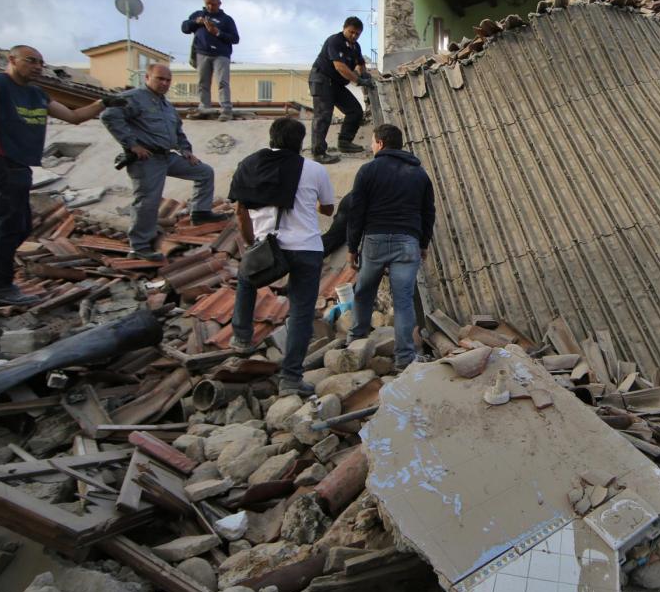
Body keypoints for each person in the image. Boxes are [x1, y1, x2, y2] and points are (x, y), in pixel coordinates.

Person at [0, 45, 108, 305]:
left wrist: (103, 103)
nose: (38, 66)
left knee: (17, 227)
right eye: (31, 61)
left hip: (17, 164)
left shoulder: (36, 94)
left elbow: (74, 116)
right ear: (12, 60)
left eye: (41, 62)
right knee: (11, 227)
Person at [228, 118, 335, 395]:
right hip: (307, 248)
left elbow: (240, 212)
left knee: (246, 279)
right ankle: (290, 380)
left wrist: (252, 244)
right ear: (301, 142)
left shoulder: (249, 165)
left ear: (271, 137)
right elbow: (328, 209)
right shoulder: (313, 169)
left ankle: (241, 338)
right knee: (300, 313)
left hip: (267, 244)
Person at [102, 63, 225, 262]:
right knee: (148, 201)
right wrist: (132, 145)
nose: (165, 83)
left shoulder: (166, 105)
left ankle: (201, 213)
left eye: (168, 80)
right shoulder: (133, 98)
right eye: (160, 79)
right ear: (147, 78)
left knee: (204, 172)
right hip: (147, 159)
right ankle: (139, 246)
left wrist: (186, 151)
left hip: (167, 156)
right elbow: (109, 116)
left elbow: (178, 131)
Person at [343, 124, 435, 370]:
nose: (371, 146)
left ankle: (356, 341)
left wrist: (353, 246)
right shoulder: (419, 174)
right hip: (408, 242)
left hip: (375, 239)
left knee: (364, 291)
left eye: (373, 142)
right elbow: (428, 212)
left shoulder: (368, 170)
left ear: (381, 143)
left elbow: (356, 212)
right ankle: (404, 358)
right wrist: (423, 243)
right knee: (403, 300)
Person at [308, 16, 371, 163]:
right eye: (351, 32)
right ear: (344, 28)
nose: (354, 36)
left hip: (336, 84)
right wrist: (358, 80)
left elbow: (361, 64)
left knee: (355, 111)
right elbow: (340, 67)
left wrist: (365, 75)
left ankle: (345, 143)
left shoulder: (356, 46)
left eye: (357, 34)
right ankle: (318, 153)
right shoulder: (334, 41)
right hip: (322, 79)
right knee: (323, 116)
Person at [181, 0, 240, 120]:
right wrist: (196, 22)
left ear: (219, 3)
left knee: (222, 82)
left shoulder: (226, 20)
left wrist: (217, 32)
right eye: (208, 4)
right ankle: (204, 108)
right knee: (203, 82)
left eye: (213, 4)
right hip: (202, 53)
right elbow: (184, 27)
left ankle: (226, 109)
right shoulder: (198, 15)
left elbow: (235, 39)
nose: (210, 7)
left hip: (221, 54)